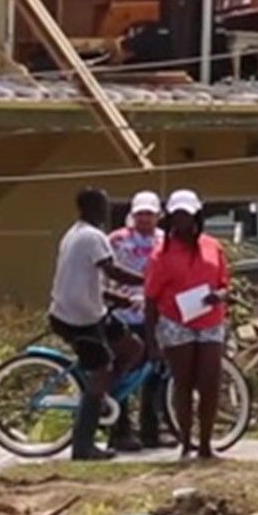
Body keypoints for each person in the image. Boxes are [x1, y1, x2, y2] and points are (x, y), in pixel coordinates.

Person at [48, 187, 145, 462]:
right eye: (102, 206)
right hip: (77, 320)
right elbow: (113, 271)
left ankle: (108, 403)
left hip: (92, 312)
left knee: (133, 348)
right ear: (90, 209)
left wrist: (119, 299)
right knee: (101, 372)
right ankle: (83, 446)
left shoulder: (75, 233)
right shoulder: (93, 236)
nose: (106, 211)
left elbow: (85, 279)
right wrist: (151, 278)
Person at [143, 189, 231, 460]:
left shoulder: (212, 246)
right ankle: (186, 442)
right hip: (176, 322)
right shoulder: (161, 254)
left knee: (210, 382)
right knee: (183, 383)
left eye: (187, 216)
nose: (183, 222)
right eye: (177, 216)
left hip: (209, 320)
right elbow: (150, 299)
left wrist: (219, 296)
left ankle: (205, 444)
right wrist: (151, 341)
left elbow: (226, 284)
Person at [107, 190, 167, 452]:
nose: (145, 218)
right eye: (140, 213)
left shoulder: (165, 240)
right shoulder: (117, 240)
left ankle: (151, 430)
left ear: (158, 216)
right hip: (124, 315)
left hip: (155, 315)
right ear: (133, 214)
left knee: (155, 374)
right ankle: (120, 431)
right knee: (124, 374)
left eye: (150, 214)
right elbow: (106, 271)